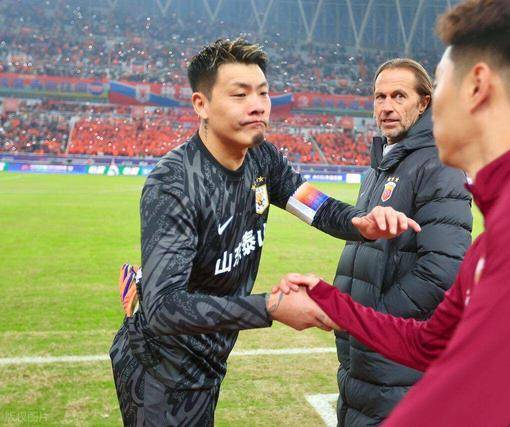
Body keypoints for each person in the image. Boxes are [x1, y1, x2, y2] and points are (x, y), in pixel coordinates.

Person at [272, 0, 510, 425]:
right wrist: (331, 301)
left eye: (440, 82)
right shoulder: (509, 217)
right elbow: (426, 344)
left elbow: (474, 393)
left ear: (476, 86)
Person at [109, 38, 419, 426]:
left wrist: (360, 223)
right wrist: (270, 307)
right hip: (161, 370)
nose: (258, 105)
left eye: (263, 92)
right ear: (201, 105)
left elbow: (314, 204)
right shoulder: (174, 184)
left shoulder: (261, 157)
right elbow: (164, 308)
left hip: (208, 357)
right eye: (240, 95)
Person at [328, 58, 472, 425]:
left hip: (395, 356)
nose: (387, 106)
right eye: (380, 97)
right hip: (363, 355)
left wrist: (376, 321)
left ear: (424, 103)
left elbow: (444, 269)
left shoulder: (440, 164)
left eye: (399, 96)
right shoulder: (381, 166)